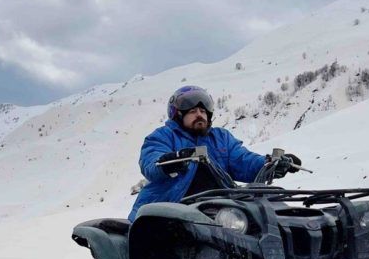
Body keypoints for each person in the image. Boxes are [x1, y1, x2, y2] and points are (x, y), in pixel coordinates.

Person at [128, 86, 301, 221]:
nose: (199, 115)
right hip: (169, 208)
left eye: (203, 111)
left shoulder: (220, 137)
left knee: (265, 217)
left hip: (219, 208)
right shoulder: (162, 136)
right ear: (178, 115)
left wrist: (272, 164)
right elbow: (151, 162)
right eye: (193, 111)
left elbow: (243, 160)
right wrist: (171, 160)